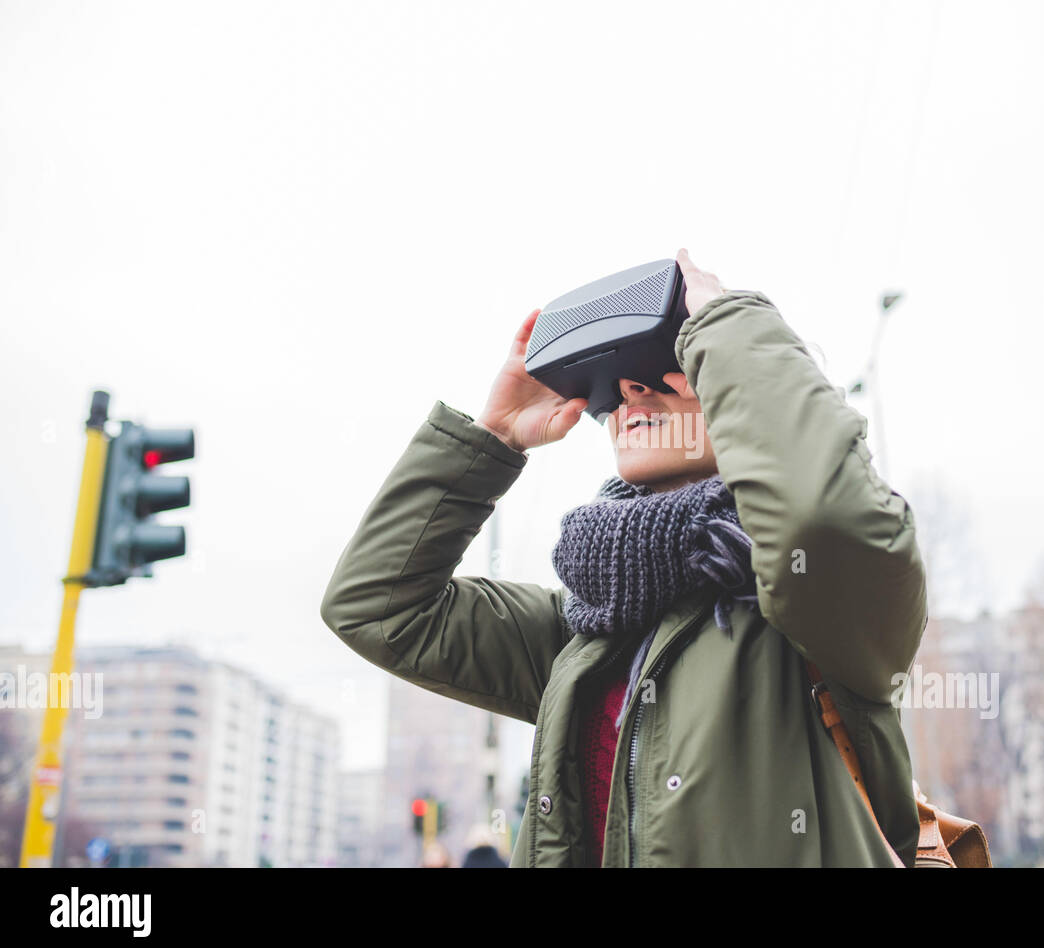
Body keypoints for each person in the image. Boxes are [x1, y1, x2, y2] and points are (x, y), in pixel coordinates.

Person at [321, 249, 928, 867]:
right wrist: (493, 438)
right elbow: (377, 606)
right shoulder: (580, 638)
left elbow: (825, 518)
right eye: (613, 385)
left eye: (671, 366)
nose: (631, 391)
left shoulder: (822, 613)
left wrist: (725, 321)